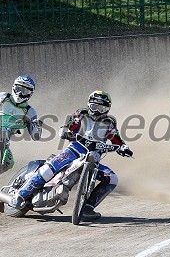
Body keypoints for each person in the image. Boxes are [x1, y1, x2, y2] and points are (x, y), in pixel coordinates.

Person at [10, 90, 133, 221]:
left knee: (112, 179)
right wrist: (66, 131)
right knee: (48, 169)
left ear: (107, 108)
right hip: (74, 151)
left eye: (101, 107)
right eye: (94, 106)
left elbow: (117, 139)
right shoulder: (81, 114)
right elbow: (71, 125)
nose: (97, 111)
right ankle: (20, 195)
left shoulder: (110, 122)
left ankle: (87, 207)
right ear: (89, 105)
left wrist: (123, 147)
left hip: (94, 158)